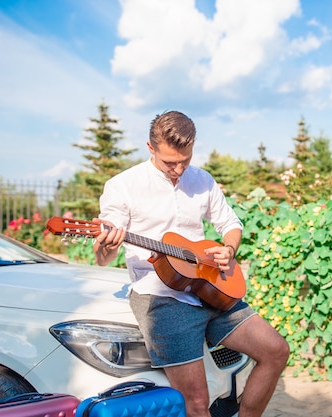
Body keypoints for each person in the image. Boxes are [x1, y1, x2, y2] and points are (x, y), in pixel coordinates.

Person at [91, 110, 289, 417]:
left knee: (276, 351)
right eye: (170, 162)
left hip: (209, 284)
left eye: (186, 159)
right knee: (197, 403)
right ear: (150, 148)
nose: (179, 169)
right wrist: (105, 246)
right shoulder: (123, 185)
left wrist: (229, 248)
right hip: (162, 299)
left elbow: (230, 223)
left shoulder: (201, 179)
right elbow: (104, 258)